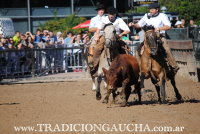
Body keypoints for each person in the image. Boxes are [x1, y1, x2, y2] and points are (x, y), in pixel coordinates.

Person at [128, 3, 179, 73]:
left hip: (159, 36)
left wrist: (159, 28)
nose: (150, 11)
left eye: (152, 9)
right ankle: (138, 67)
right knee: (138, 50)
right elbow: (139, 25)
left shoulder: (163, 16)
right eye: (150, 9)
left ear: (157, 9)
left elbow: (168, 26)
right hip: (148, 37)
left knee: (167, 49)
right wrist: (133, 25)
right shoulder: (146, 15)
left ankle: (174, 66)